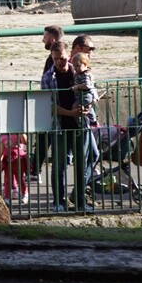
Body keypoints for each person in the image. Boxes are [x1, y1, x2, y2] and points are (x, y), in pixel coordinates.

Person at [41, 41, 98, 213]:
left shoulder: (79, 71)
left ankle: (80, 202)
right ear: (52, 58)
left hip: (81, 125)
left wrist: (89, 105)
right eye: (56, 59)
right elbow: (49, 106)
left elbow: (92, 90)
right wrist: (70, 113)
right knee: (59, 166)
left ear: (69, 56)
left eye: (63, 58)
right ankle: (59, 202)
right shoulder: (47, 78)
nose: (60, 62)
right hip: (60, 126)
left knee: (82, 164)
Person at [31, 25, 64, 182]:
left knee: (45, 137)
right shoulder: (52, 58)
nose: (42, 39)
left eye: (44, 36)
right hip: (52, 104)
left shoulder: (54, 59)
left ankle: (35, 169)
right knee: (45, 138)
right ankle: (35, 168)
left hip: (53, 104)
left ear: (52, 39)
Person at [0, 123, 29, 203]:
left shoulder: (17, 134)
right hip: (8, 160)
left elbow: (25, 142)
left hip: (18, 159)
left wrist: (21, 132)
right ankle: (7, 197)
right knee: (7, 179)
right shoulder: (3, 137)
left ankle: (25, 194)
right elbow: (1, 150)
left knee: (19, 178)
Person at [71, 52, 98, 128]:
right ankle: (93, 121)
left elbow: (87, 85)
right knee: (88, 109)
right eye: (74, 66)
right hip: (82, 95)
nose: (75, 68)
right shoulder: (80, 73)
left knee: (75, 108)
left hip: (85, 95)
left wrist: (77, 87)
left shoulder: (85, 74)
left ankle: (81, 125)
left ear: (85, 64)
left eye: (78, 66)